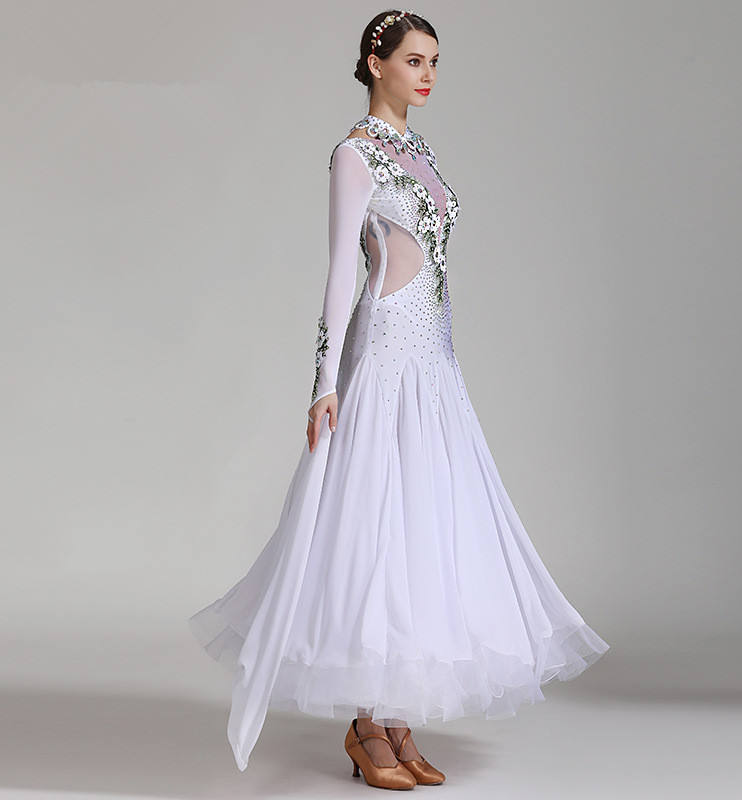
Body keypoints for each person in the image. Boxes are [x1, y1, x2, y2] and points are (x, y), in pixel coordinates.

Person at [188, 8, 610, 790]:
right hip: (382, 354)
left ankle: (396, 718)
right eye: (415, 59)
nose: (428, 75)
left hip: (434, 361)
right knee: (376, 523)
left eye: (435, 61)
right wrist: (325, 383)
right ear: (375, 62)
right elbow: (340, 272)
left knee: (424, 522)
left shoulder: (420, 153)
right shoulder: (354, 155)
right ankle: (364, 726)